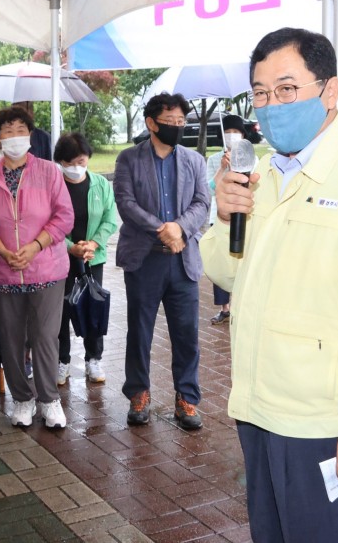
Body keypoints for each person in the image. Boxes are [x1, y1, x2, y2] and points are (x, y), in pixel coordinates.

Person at [200, 28, 338, 543]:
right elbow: (231, 274)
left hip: (323, 424)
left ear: (330, 91)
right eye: (259, 93)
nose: (271, 105)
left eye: (286, 88)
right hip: (258, 409)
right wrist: (223, 215)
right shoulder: (267, 175)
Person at [114, 93, 210, 430]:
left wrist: (179, 229)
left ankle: (187, 399)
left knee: (186, 334)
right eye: (170, 122)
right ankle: (138, 394)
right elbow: (125, 203)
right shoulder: (128, 159)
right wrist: (161, 229)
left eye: (182, 122)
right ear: (151, 123)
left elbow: (202, 203)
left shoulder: (195, 161)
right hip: (145, 260)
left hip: (183, 260)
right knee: (139, 332)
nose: (177, 128)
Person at [0, 107, 73, 429]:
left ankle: (49, 400)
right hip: (5, 270)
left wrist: (35, 246)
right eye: (7, 130)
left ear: (30, 135)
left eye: (20, 129)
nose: (14, 135)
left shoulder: (48, 171)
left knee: (45, 336)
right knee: (11, 337)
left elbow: (63, 216)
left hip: (46, 268)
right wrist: (1, 249)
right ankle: (22, 399)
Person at [53, 132, 118, 386]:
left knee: (93, 307)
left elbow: (110, 218)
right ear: (60, 162)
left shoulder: (100, 184)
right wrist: (70, 247)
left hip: (93, 257)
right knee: (61, 311)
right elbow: (49, 223)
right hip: (60, 258)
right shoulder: (55, 185)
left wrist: (92, 244)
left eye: (81, 160)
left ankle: (94, 358)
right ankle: (62, 361)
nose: (76, 167)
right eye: (69, 163)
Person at [205, 114, 248, 326]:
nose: (232, 136)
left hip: (244, 215)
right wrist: (223, 168)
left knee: (242, 260)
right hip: (220, 217)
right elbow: (209, 189)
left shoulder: (251, 159)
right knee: (222, 260)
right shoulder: (214, 160)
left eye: (236, 132)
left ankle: (242, 302)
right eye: (228, 132)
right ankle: (224, 307)